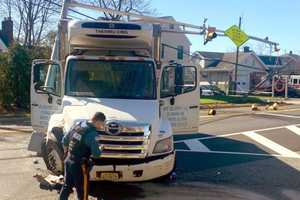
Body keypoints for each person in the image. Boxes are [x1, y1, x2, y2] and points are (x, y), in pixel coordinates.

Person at [59, 112, 106, 200]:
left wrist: (67, 153)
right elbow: (96, 154)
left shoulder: (78, 125)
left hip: (69, 160)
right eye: (103, 123)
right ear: (98, 122)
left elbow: (64, 140)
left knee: (66, 186)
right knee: (82, 191)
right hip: (80, 165)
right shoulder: (93, 134)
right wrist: (101, 148)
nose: (103, 126)